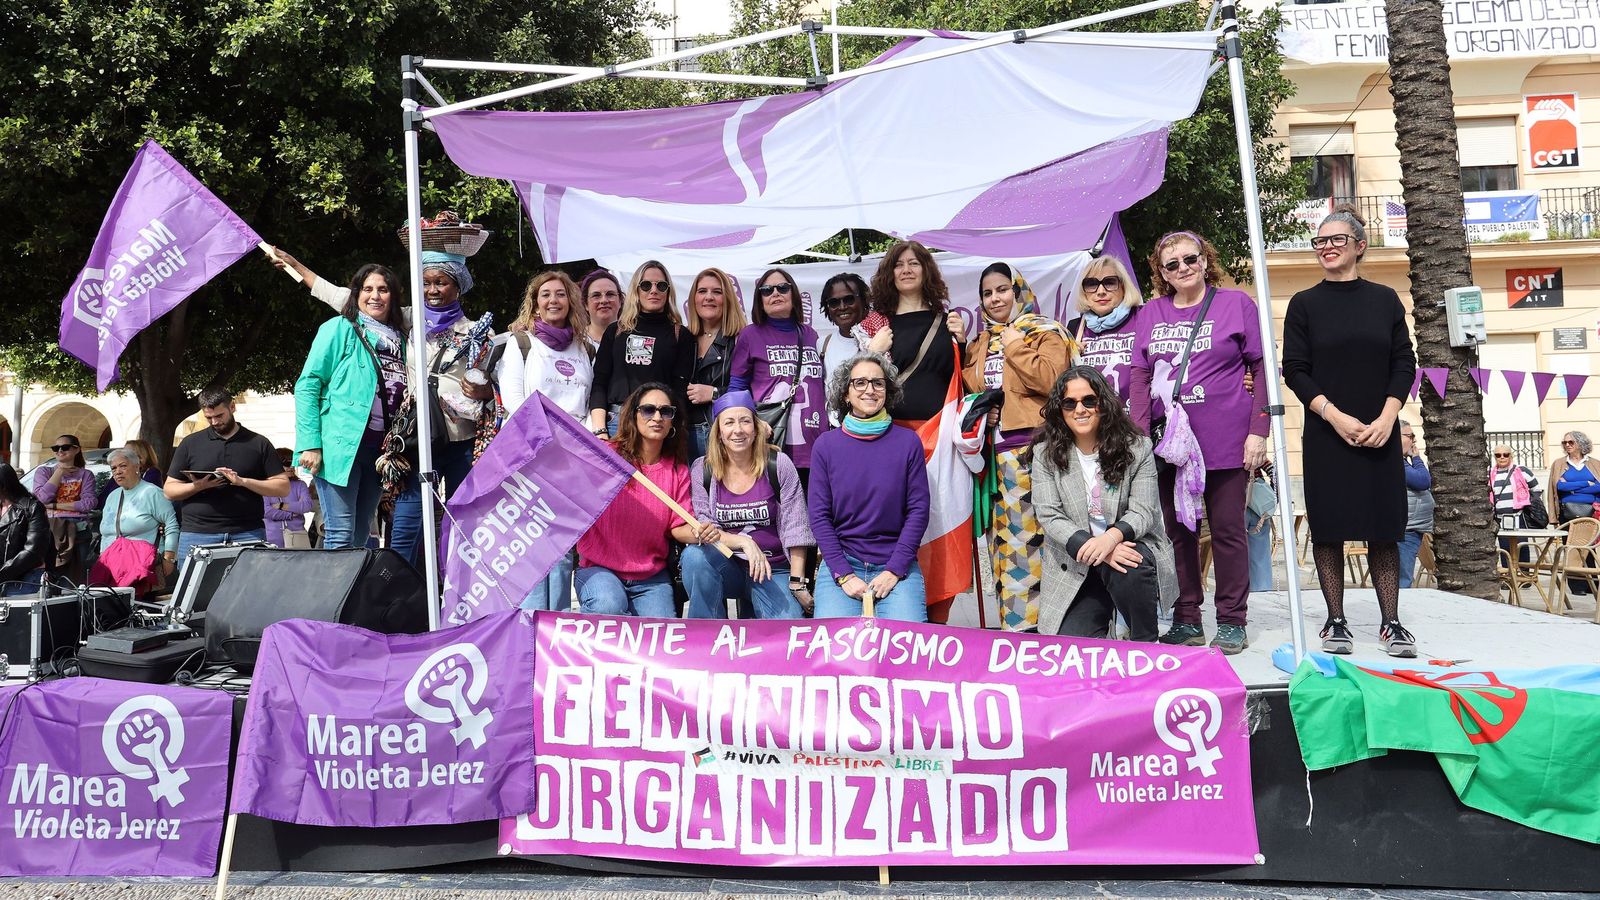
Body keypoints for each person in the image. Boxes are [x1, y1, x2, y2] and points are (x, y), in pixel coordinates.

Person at [1283, 206, 1417, 657]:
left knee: (1384, 528)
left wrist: (1387, 418)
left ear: (1360, 246)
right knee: (1329, 529)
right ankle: (1335, 619)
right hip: (1326, 432)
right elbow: (1295, 371)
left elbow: (1405, 363)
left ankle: (1391, 622)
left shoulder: (1384, 299)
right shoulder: (1304, 303)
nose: (1327, 248)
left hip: (1380, 430)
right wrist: (1334, 416)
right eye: (1320, 242)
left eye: (1336, 240)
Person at [1130, 231, 1269, 655]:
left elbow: (1262, 368)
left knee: (1228, 531)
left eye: (1190, 259)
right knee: (1176, 534)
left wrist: (1258, 431)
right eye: (1171, 264)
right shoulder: (1151, 312)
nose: (1182, 268)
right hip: (1168, 443)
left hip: (1224, 440)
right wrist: (1137, 435)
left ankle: (1231, 620)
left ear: (1205, 261)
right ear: (1162, 273)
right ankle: (1187, 617)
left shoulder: (1236, 305)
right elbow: (1138, 375)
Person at [959, 262, 1072, 631]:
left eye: (1002, 289)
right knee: (1002, 547)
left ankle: (1040, 633)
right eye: (987, 294)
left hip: (1033, 452)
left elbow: (1054, 381)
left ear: (1019, 290)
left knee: (1033, 545)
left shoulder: (1044, 332)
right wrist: (985, 412)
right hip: (992, 458)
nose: (995, 299)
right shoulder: (981, 342)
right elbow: (972, 390)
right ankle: (1013, 632)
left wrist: (1015, 346)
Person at [1032, 367, 1174, 639]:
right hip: (1076, 559)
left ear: (1103, 403)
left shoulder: (1137, 447)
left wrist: (1109, 540)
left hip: (1127, 549)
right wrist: (1099, 549)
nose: (1080, 409)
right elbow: (1049, 515)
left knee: (1130, 563)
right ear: (1059, 410)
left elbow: (1144, 511)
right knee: (1071, 650)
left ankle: (1144, 641)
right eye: (1069, 403)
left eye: (1089, 400)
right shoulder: (1044, 454)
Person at [574, 384, 717, 616]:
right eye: (648, 410)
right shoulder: (605, 455)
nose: (657, 417)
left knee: (661, 636)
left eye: (666, 411)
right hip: (599, 569)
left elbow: (678, 527)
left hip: (650, 577)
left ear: (672, 421)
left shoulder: (677, 470)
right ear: (633, 415)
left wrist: (701, 533)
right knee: (608, 605)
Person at [292, 265, 407, 552]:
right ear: (356, 294)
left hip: (380, 451)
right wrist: (310, 444)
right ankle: (333, 598)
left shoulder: (403, 336)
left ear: (393, 296)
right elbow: (308, 385)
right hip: (340, 447)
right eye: (367, 289)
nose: (375, 296)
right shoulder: (339, 328)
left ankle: (350, 596)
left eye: (383, 289)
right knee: (340, 534)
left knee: (360, 537)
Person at [809, 353, 930, 621]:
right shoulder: (826, 446)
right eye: (860, 383)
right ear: (845, 394)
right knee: (834, 652)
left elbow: (918, 511)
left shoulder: (908, 443)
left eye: (878, 383)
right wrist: (843, 574)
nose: (870, 390)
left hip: (896, 566)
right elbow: (818, 516)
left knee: (908, 649)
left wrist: (894, 570)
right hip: (842, 563)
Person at [683, 391, 813, 619]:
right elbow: (707, 529)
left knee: (786, 631)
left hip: (772, 567)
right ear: (719, 432)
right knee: (694, 557)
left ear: (755, 427)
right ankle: (708, 635)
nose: (738, 430)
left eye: (745, 421)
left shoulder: (778, 464)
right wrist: (744, 543)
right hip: (727, 565)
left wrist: (796, 583)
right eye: (729, 422)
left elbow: (797, 528)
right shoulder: (703, 469)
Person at [165, 389, 290, 568]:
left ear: (232, 407)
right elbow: (169, 490)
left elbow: (283, 487)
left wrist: (242, 481)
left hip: (248, 532)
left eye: (219, 415)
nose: (215, 422)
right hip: (198, 532)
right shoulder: (190, 443)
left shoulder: (258, 443)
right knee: (194, 592)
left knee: (246, 592)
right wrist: (198, 485)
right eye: (209, 417)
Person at [729, 268, 826, 471]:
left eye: (783, 288)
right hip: (771, 439)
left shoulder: (810, 334)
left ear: (793, 294)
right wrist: (752, 422)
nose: (775, 293)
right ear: (760, 299)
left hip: (814, 443)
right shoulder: (750, 335)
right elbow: (737, 387)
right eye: (766, 290)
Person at [588, 262, 694, 438]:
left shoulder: (680, 334)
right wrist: (600, 430)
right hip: (617, 422)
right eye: (646, 285)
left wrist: (672, 431)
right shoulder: (616, 331)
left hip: (659, 425)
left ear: (668, 291)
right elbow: (599, 382)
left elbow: (680, 392)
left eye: (661, 285)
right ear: (636, 290)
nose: (653, 290)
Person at [866, 241, 959, 425]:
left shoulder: (948, 322)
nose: (906, 270)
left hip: (942, 432)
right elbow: (861, 382)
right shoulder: (878, 325)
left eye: (914, 263)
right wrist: (872, 353)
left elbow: (962, 377)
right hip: (893, 432)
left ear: (926, 270)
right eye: (898, 265)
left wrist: (961, 343)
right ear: (890, 274)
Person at [498, 271, 593, 420]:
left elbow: (591, 404)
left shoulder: (586, 348)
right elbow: (513, 399)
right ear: (536, 305)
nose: (553, 300)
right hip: (534, 435)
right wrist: (543, 433)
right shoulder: (521, 343)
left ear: (570, 303)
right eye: (546, 294)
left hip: (575, 439)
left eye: (561, 294)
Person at [95, 447, 180, 590]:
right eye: (114, 468)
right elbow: (105, 532)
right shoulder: (113, 496)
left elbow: (171, 525)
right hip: (110, 565)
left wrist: (169, 558)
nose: (118, 471)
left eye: (123, 466)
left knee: (140, 608)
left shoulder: (152, 493)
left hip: (140, 566)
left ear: (137, 467)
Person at [684, 268, 745, 459]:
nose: (708, 297)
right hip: (682, 436)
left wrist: (714, 393)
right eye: (702, 291)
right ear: (693, 299)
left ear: (727, 298)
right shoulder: (682, 338)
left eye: (716, 292)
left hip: (722, 434)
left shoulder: (741, 338)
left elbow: (755, 390)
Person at [1067, 255, 1144, 403]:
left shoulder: (1143, 318)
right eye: (1091, 284)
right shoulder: (1074, 327)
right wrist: (1067, 358)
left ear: (1123, 286)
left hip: (1134, 420)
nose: (1101, 291)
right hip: (1092, 418)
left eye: (1109, 282)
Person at [33, 434, 97, 583]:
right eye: (56, 448)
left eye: (65, 447)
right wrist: (59, 472)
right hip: (49, 529)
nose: (60, 451)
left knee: (77, 577)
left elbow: (88, 503)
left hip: (78, 531)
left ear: (76, 450)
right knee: (50, 575)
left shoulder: (86, 474)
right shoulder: (44, 472)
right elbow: (41, 499)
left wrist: (54, 505)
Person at [0, 464, 49, 597]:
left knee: (19, 617)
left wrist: (2, 572)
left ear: (4, 485)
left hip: (24, 579)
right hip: (5, 577)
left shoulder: (32, 507)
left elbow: (34, 551)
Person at [1490, 446, 1543, 564]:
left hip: (1519, 516)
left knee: (1522, 547)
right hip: (1499, 518)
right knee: (1505, 550)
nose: (1502, 457)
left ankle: (1524, 578)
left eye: (1505, 454)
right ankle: (1509, 579)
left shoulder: (1522, 471)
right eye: (1498, 455)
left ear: (1511, 455)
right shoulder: (1490, 473)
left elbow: (1536, 489)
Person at [818, 272, 872, 384]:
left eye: (849, 299)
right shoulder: (822, 344)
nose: (842, 307)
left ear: (863, 300)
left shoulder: (880, 338)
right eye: (834, 302)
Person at [1399, 422, 1434, 590]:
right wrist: (1417, 458)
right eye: (1410, 436)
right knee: (1402, 579)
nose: (1414, 441)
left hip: (1411, 528)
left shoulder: (1403, 462)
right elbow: (1423, 481)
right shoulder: (1397, 463)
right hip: (1406, 530)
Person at [264, 448, 315, 549]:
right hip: (271, 539)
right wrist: (292, 513)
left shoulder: (300, 485)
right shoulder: (264, 485)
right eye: (287, 463)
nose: (292, 467)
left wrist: (281, 506)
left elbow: (307, 506)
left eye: (294, 463)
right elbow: (267, 511)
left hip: (297, 537)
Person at [1549, 430, 1600, 524]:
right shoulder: (1559, 464)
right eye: (1564, 443)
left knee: (1589, 539)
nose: (1567, 445)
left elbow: (1598, 487)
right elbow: (1559, 486)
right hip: (1566, 513)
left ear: (1581, 443)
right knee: (1568, 539)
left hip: (1592, 512)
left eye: (1571, 442)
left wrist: (1571, 489)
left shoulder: (1595, 464)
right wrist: (1587, 483)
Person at [579, 269, 623, 354]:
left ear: (620, 301)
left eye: (610, 294)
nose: (604, 300)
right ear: (585, 304)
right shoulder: (575, 342)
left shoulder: (633, 339)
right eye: (596, 295)